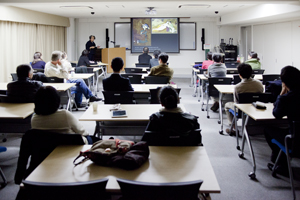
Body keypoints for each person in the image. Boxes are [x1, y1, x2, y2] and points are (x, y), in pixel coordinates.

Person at [31, 86, 100, 145]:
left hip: (47, 150)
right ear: (56, 100)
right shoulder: (65, 115)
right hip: (71, 148)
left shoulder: (34, 119)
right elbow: (83, 132)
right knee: (92, 139)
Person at [264, 66, 300, 176]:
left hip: (296, 141)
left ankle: (281, 164)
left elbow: (277, 114)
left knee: (268, 130)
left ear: (284, 82)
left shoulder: (287, 98)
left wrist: (282, 93)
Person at [224, 63, 264, 134]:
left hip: (242, 110)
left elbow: (236, 103)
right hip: (256, 108)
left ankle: (233, 128)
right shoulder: (259, 84)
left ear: (240, 75)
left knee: (227, 105)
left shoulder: (238, 87)